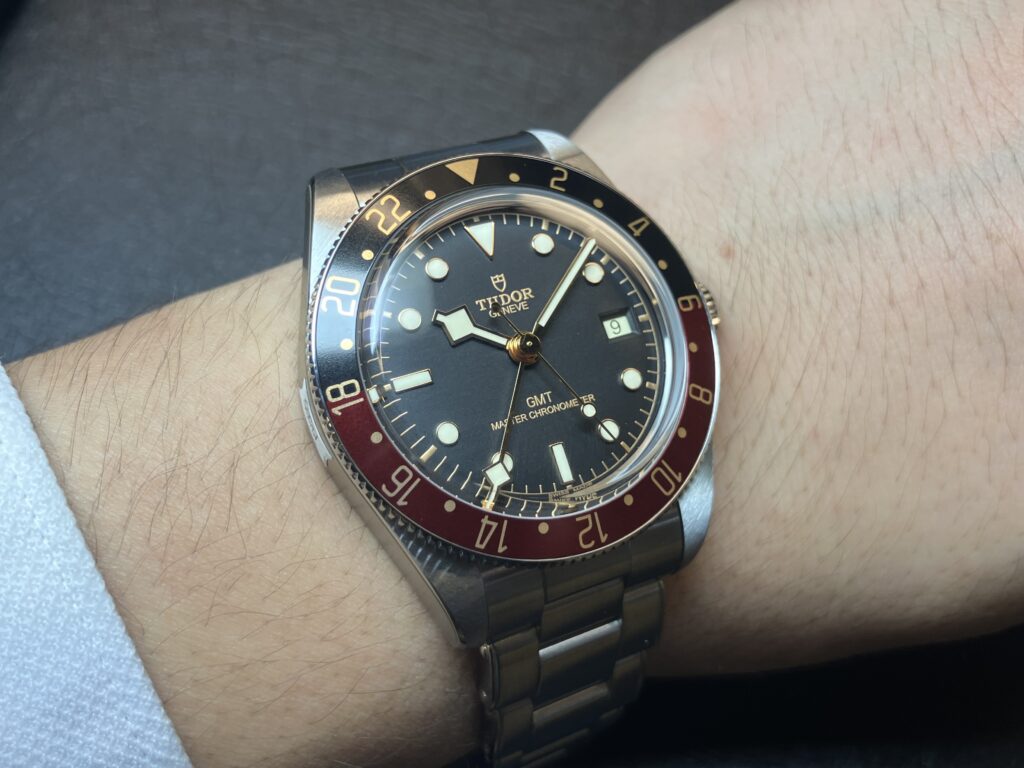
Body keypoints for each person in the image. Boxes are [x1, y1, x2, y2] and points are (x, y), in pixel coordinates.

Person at [2, 1, 1022, 765]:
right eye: (501, 337)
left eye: (522, 335)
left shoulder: (613, 296)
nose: (521, 344)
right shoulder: (353, 345)